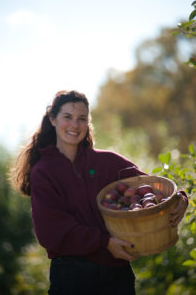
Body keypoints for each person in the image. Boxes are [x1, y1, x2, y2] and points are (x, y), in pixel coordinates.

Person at [11, 90, 188, 295]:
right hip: (71, 276)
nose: (75, 125)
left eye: (82, 118)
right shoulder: (44, 172)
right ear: (52, 119)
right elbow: (50, 232)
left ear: (88, 122)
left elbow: (153, 188)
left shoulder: (108, 162)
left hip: (116, 274)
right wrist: (104, 243)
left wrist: (180, 199)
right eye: (67, 117)